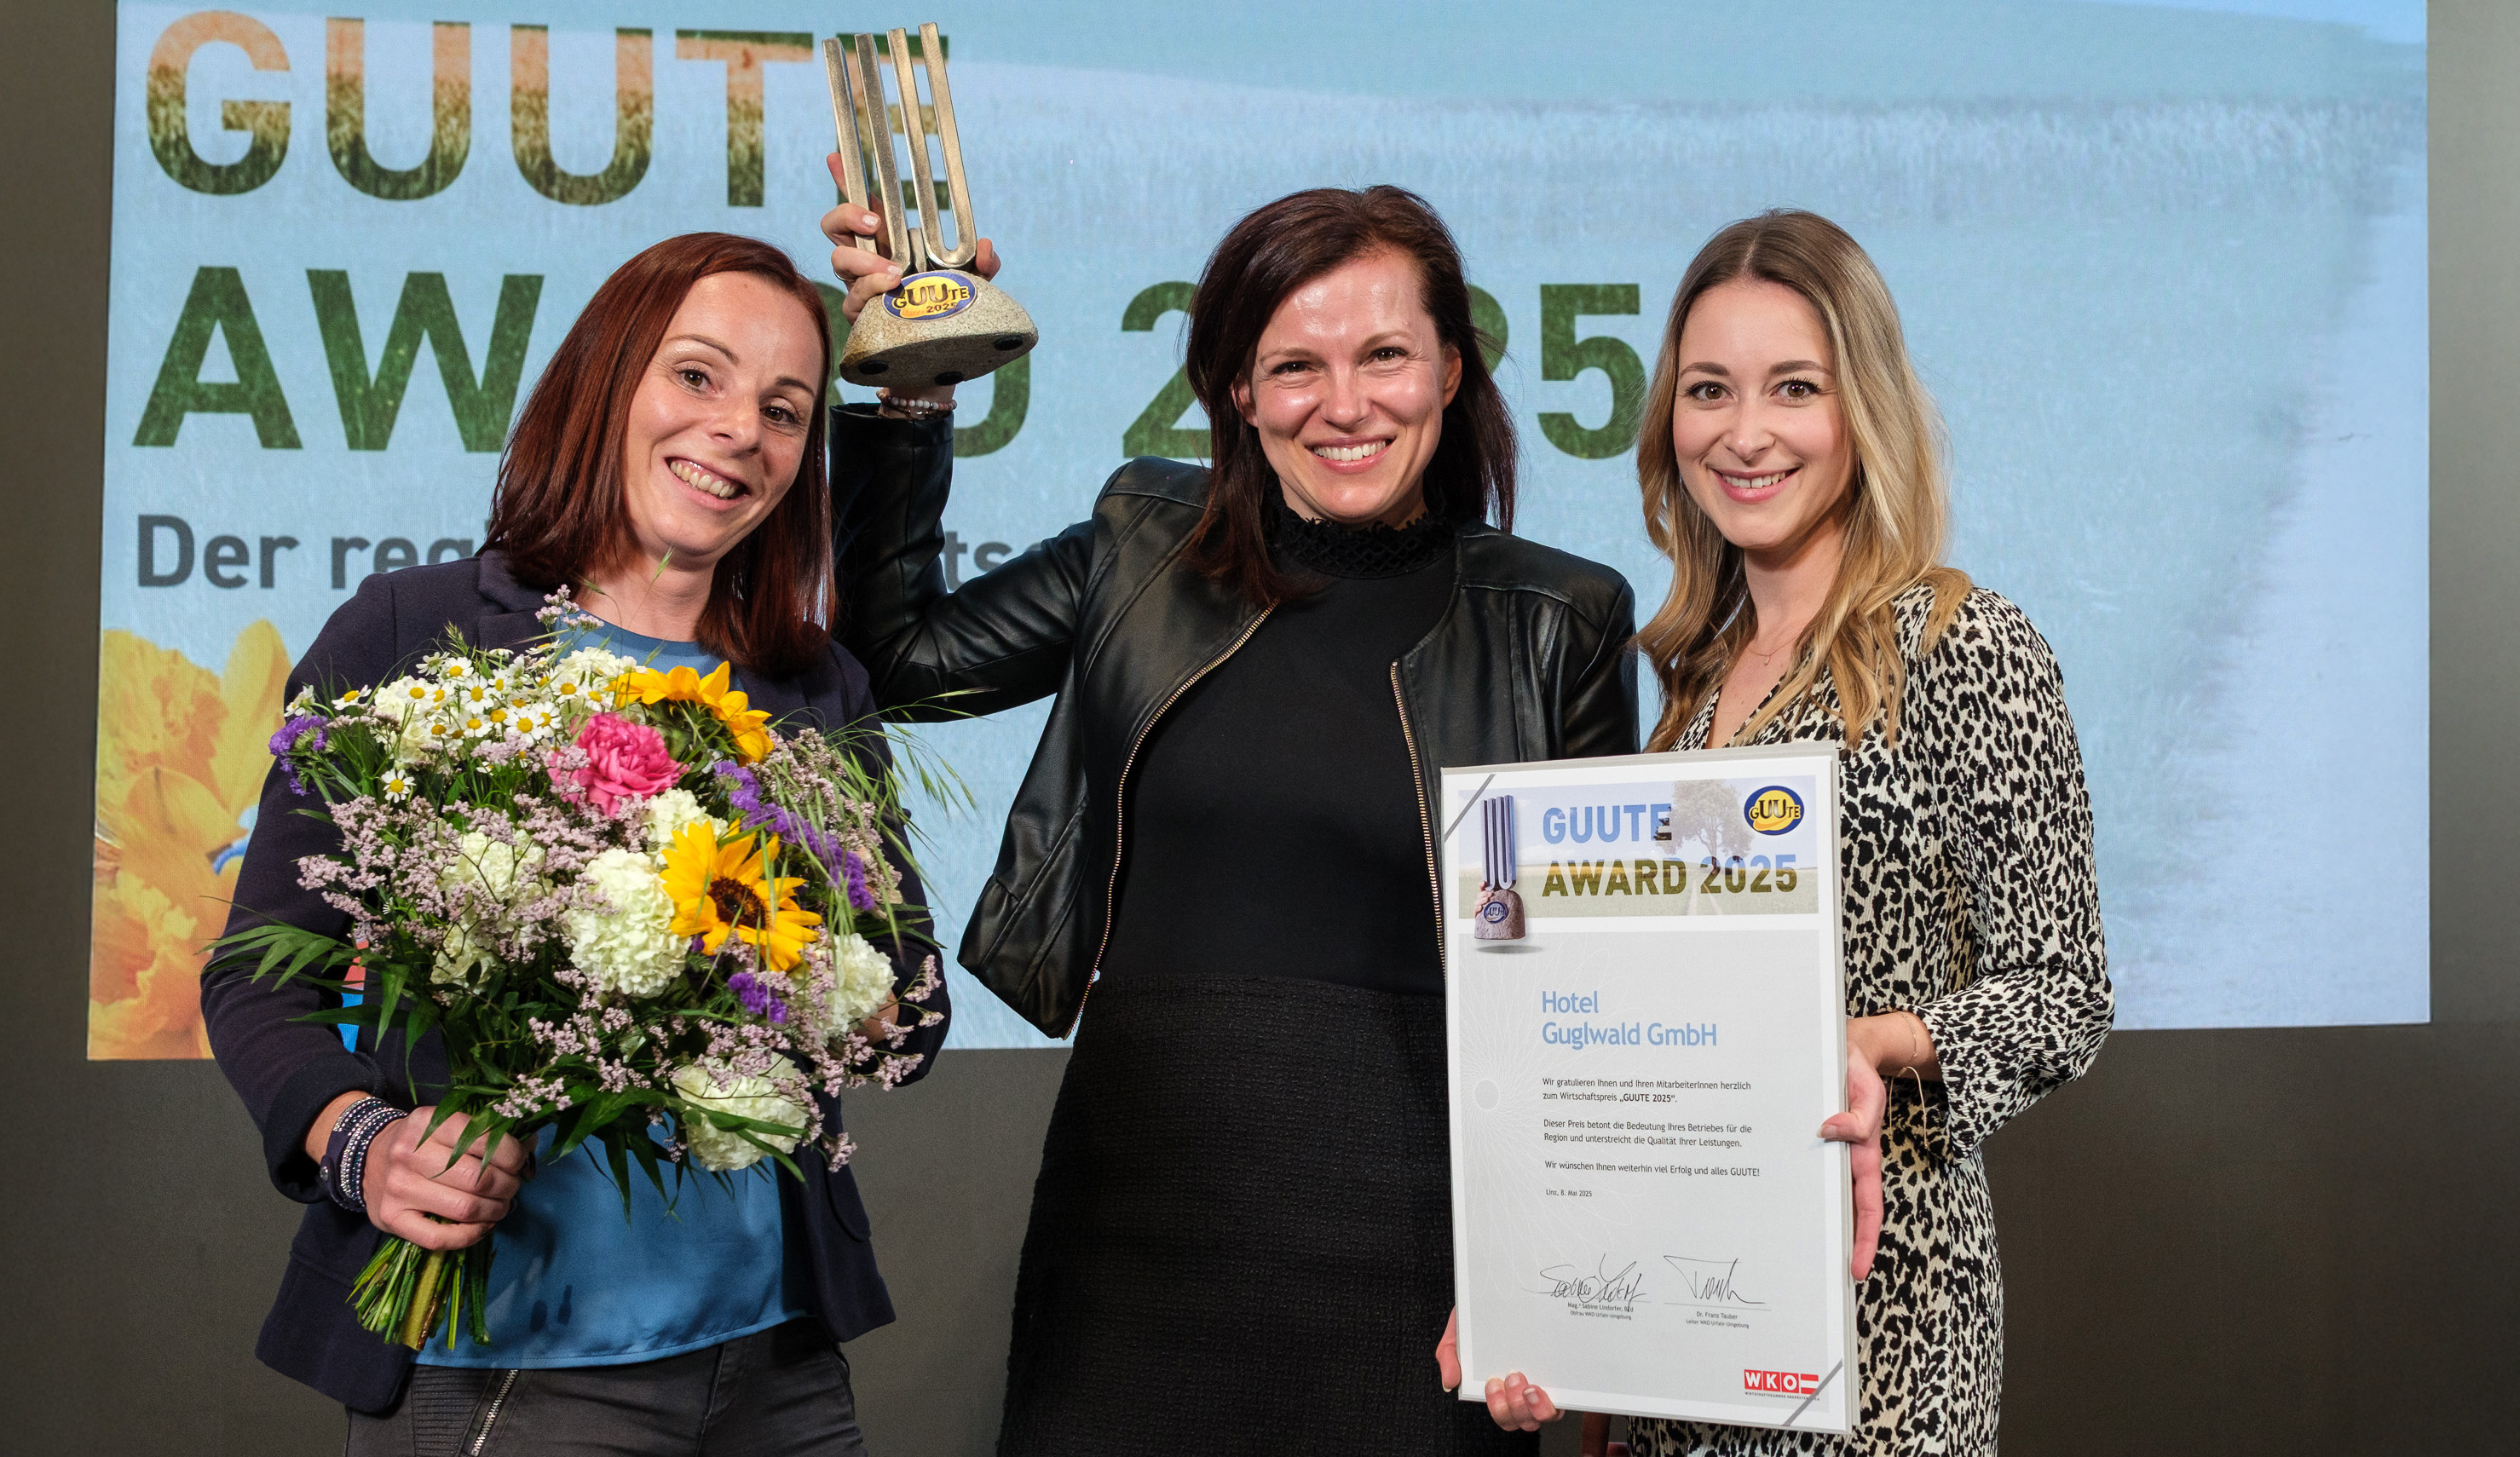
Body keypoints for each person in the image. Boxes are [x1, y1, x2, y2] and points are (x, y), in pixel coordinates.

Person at [822, 182, 1638, 1454]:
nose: (1345, 404)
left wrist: (1545, 1269)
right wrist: (915, 384)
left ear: (1450, 371)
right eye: (1295, 365)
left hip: (1421, 1243)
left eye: (1385, 356)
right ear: (1240, 392)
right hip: (1133, 1222)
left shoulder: (1559, 619)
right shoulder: (1143, 544)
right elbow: (900, 660)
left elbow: (1593, 993)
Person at [203, 233, 949, 1456]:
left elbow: (911, 1012)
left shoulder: (815, 689)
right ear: (605, 382)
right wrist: (364, 1146)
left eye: (784, 410)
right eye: (697, 375)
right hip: (497, 1360)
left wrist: (826, 981)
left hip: (776, 1365)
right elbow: (257, 975)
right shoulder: (410, 630)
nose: (738, 431)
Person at [1478, 210, 2115, 1454]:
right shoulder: (1693, 686)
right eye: (1709, 389)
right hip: (1690, 1337)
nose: (1746, 431)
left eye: (1795, 388)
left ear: (1861, 408)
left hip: (1881, 1310)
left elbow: (2065, 994)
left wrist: (1867, 1044)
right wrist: (1583, 1342)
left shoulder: (1963, 644)